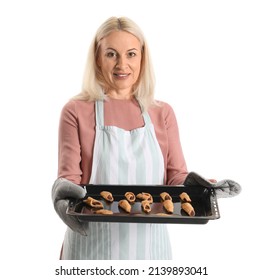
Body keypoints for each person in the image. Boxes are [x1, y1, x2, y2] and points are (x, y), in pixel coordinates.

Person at [52, 16, 188, 260]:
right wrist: (61, 193)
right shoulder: (76, 111)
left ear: (143, 58)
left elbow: (176, 178)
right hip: (90, 251)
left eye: (131, 54)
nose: (122, 64)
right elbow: (69, 180)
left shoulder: (162, 113)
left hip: (150, 253)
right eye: (111, 54)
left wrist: (202, 187)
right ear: (97, 57)